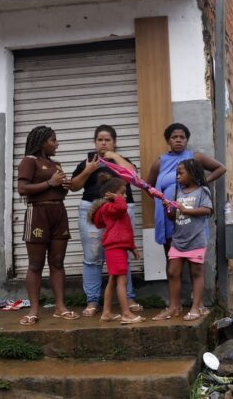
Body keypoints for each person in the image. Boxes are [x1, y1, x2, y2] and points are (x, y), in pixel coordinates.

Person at [70, 125, 143, 317]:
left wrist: (114, 157)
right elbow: (74, 186)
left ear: (114, 142)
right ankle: (92, 300)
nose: (103, 143)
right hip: (94, 209)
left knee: (122, 252)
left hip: (121, 210)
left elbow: (134, 177)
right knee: (92, 257)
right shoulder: (88, 162)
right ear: (95, 142)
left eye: (107, 140)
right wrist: (88, 170)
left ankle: (129, 298)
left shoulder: (122, 160)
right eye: (100, 140)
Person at [17, 125, 80, 325]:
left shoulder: (55, 164)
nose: (57, 144)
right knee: (35, 264)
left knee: (58, 262)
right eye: (53, 140)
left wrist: (64, 186)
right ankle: (34, 310)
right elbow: (22, 188)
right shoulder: (29, 161)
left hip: (58, 212)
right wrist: (50, 183)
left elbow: (60, 191)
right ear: (42, 142)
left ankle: (60, 307)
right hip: (38, 213)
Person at [146, 123, 226, 255]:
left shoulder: (194, 157)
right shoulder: (160, 162)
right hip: (170, 214)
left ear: (186, 140)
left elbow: (221, 168)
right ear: (168, 141)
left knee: (193, 254)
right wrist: (162, 200)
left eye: (182, 137)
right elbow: (148, 186)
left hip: (191, 213)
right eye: (174, 137)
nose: (178, 140)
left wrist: (202, 183)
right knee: (171, 256)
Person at [153, 159, 213, 321]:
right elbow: (173, 217)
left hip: (196, 240)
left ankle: (196, 307)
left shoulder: (202, 191)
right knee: (172, 272)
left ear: (192, 173)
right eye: (177, 174)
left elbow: (207, 210)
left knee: (196, 273)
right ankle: (174, 307)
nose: (177, 176)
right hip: (178, 240)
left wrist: (186, 210)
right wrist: (168, 209)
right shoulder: (177, 192)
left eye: (181, 173)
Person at [89, 174, 145, 324]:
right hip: (115, 249)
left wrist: (132, 247)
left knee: (113, 280)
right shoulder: (108, 207)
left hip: (118, 247)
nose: (125, 196)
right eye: (122, 193)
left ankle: (106, 313)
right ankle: (126, 313)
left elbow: (125, 230)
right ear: (111, 193)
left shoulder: (115, 208)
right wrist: (117, 198)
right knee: (122, 281)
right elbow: (122, 207)